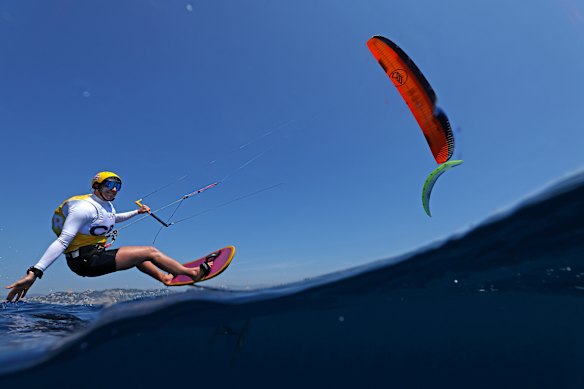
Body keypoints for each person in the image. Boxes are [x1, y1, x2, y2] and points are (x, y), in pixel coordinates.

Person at [5, 171, 213, 302]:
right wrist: (35, 272)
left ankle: (166, 278)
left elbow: (111, 218)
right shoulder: (83, 208)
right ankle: (190, 273)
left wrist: (136, 213)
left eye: (117, 187)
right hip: (84, 260)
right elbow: (63, 241)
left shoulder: (105, 205)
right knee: (149, 252)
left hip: (94, 254)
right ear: (96, 187)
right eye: (108, 186)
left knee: (140, 257)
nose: (113, 190)